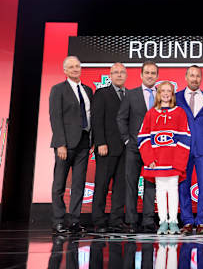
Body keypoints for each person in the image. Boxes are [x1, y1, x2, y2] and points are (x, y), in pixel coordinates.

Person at [137, 81, 191, 235]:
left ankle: (173, 221)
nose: (166, 94)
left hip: (173, 162)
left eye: (169, 91)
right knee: (160, 191)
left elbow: (185, 138)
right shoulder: (151, 113)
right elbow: (143, 137)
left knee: (173, 190)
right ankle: (162, 222)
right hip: (157, 162)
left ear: (172, 95)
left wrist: (178, 162)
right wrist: (149, 159)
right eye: (163, 91)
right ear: (158, 94)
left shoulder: (180, 112)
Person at [49, 56, 93, 235]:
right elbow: (55, 117)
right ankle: (58, 221)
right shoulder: (58, 89)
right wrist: (60, 143)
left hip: (84, 142)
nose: (75, 69)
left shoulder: (88, 90)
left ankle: (74, 221)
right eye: (71, 67)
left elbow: (91, 116)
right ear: (65, 70)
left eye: (77, 66)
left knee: (78, 184)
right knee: (59, 184)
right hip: (65, 144)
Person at [117, 61, 158, 233]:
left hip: (155, 147)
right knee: (131, 184)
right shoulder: (131, 95)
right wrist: (127, 140)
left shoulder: (162, 95)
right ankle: (132, 220)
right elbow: (121, 118)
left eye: (153, 73)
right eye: (147, 72)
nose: (150, 75)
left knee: (151, 185)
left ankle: (148, 220)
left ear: (157, 76)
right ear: (141, 75)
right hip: (134, 146)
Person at [176, 65, 203, 234]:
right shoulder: (176, 97)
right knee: (183, 185)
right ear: (186, 77)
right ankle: (187, 221)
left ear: (201, 78)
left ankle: (201, 222)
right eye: (191, 75)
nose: (194, 79)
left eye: (197, 76)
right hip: (182, 147)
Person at [91, 62, 128, 233]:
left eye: (122, 72)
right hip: (106, 147)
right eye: (116, 72)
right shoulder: (102, 93)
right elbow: (97, 120)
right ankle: (98, 220)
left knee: (120, 187)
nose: (119, 75)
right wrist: (100, 142)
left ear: (126, 75)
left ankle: (116, 220)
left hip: (126, 148)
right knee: (102, 184)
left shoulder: (129, 95)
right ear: (110, 75)